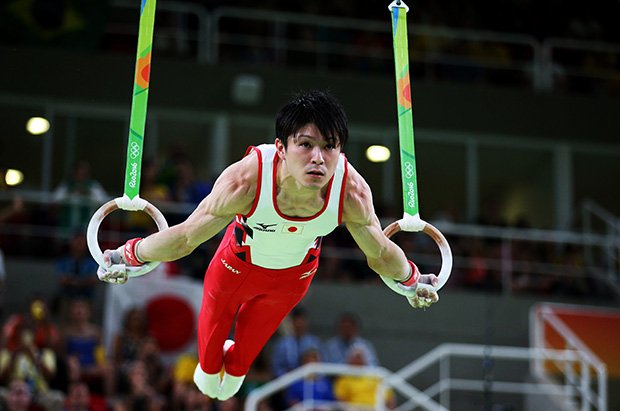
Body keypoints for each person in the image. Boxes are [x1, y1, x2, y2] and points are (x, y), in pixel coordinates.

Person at [96, 90, 439, 401]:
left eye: (329, 146)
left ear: (340, 151)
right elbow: (186, 237)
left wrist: (412, 279)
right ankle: (210, 369)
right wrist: (128, 254)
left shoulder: (350, 192)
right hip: (233, 269)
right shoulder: (247, 180)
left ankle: (231, 372)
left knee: (237, 369)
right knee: (210, 367)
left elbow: (379, 254)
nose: (318, 158)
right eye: (305, 145)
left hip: (290, 283)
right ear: (281, 147)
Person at [270, 306, 322, 378]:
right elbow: (276, 368)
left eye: (302, 321)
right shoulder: (282, 344)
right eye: (297, 321)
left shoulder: (315, 343)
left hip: (310, 381)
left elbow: (321, 367)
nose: (299, 324)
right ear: (292, 322)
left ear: (306, 322)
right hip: (286, 383)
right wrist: (289, 377)